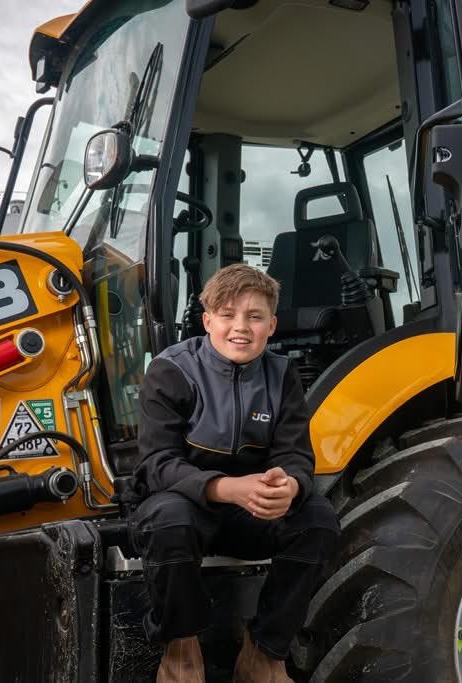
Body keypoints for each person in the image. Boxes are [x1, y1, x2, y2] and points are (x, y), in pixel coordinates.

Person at [131, 264, 339, 683]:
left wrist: (290, 486)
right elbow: (156, 465)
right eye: (227, 315)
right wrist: (226, 488)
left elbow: (296, 455)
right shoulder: (172, 371)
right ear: (208, 321)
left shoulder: (281, 376)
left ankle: (265, 651)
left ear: (272, 325)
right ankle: (181, 650)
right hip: (185, 505)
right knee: (168, 518)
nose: (240, 327)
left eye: (254, 316)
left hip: (251, 513)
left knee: (317, 519)